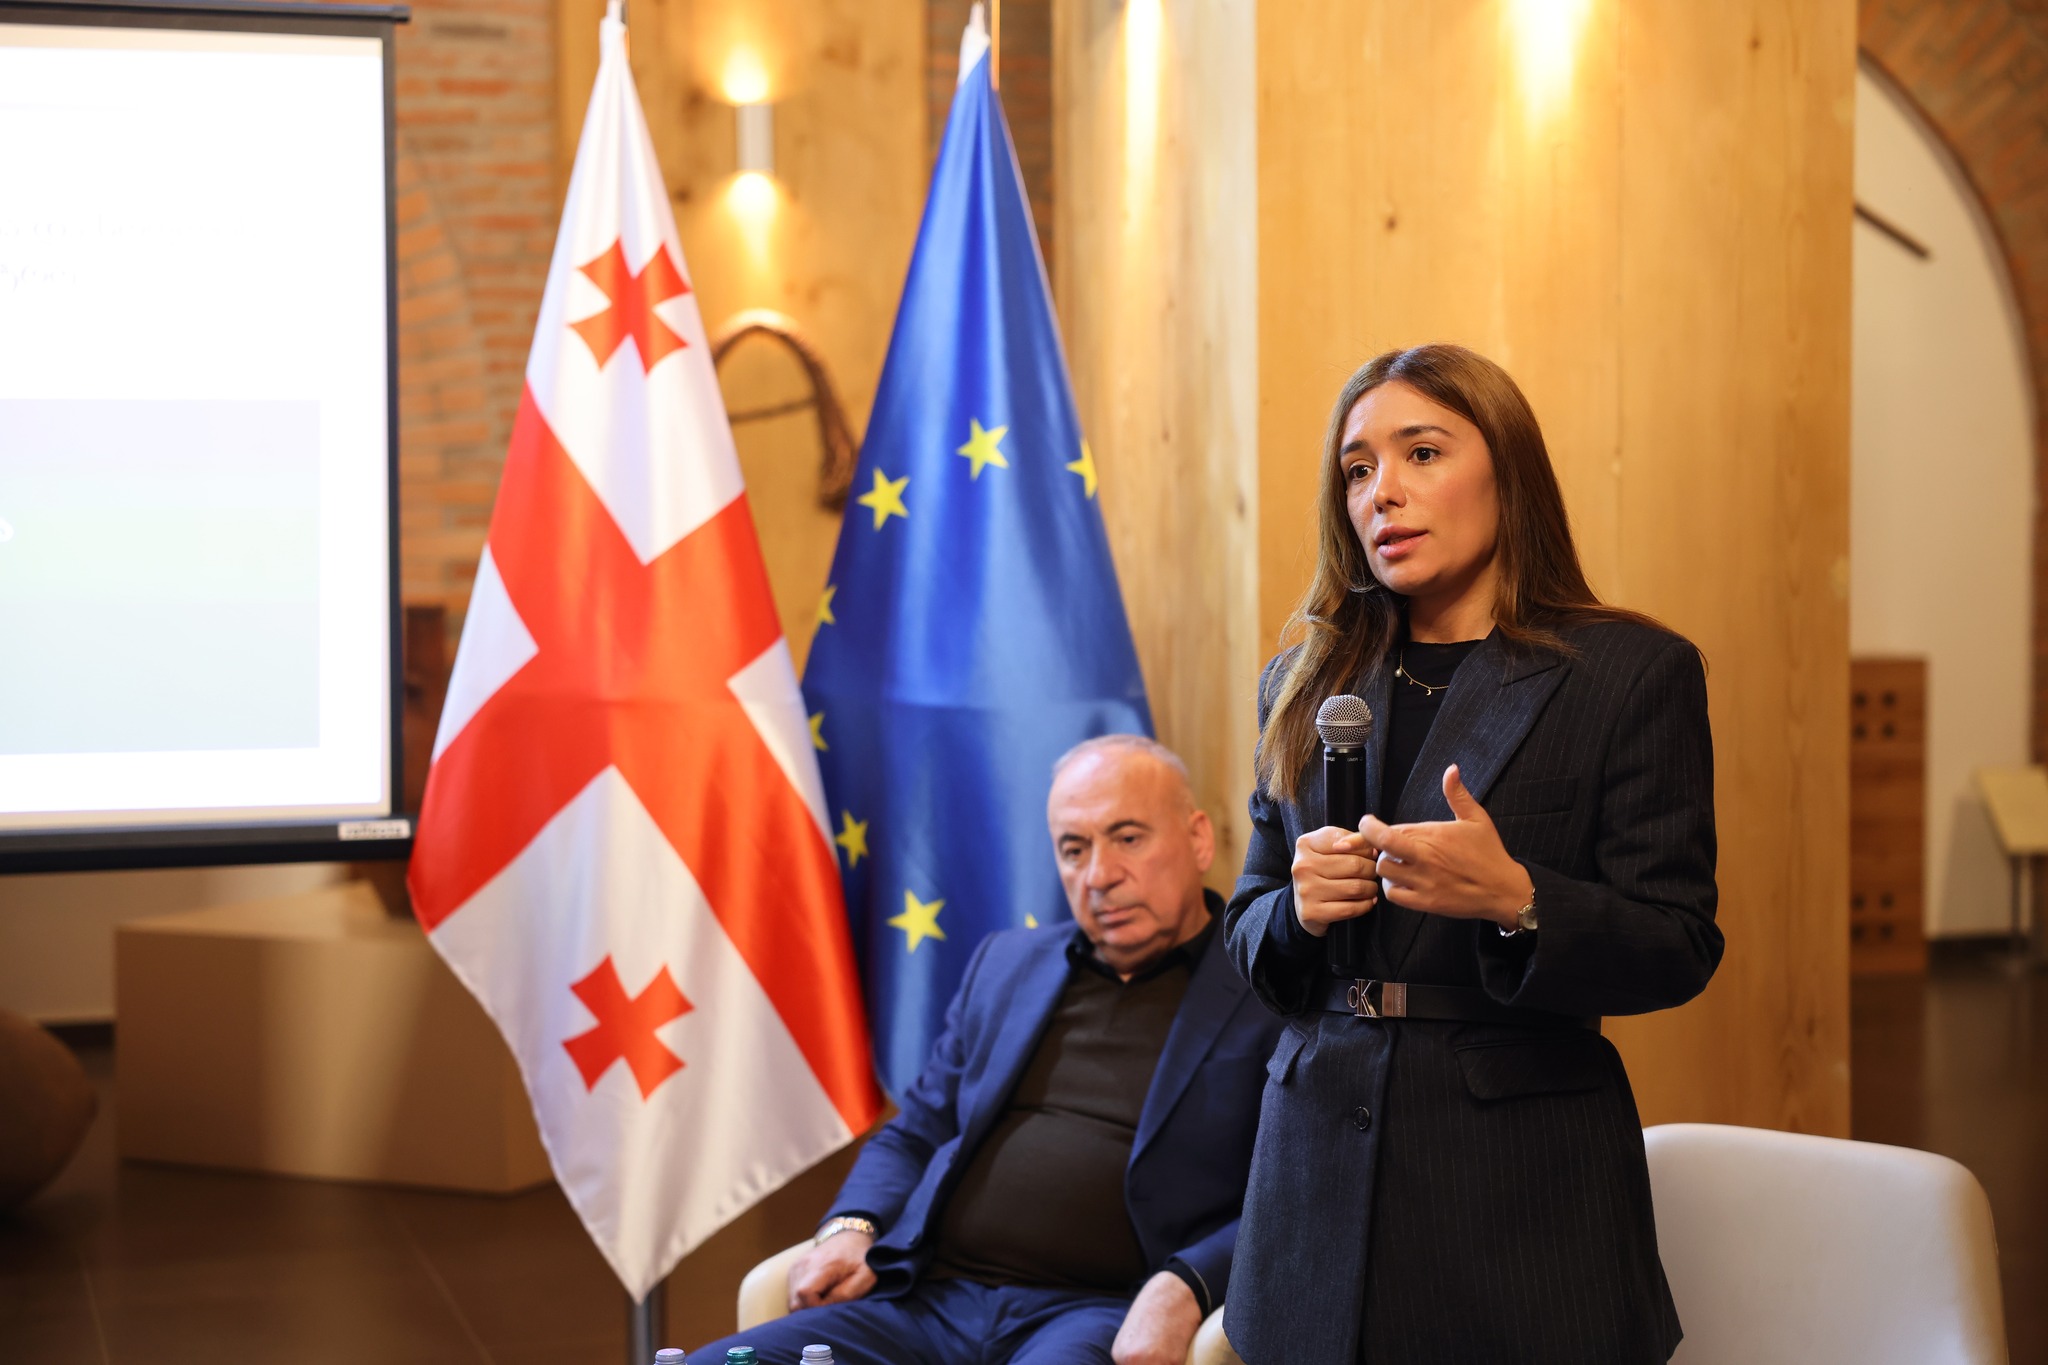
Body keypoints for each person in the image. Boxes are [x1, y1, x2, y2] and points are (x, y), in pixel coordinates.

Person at [1222, 344, 1724, 1365]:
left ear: (1508, 470)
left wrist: (1519, 900)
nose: (1381, 493)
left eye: (1421, 452)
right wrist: (1296, 912)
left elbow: (1678, 944)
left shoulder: (1628, 674)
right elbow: (1247, 926)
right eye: (1357, 469)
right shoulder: (1305, 681)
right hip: (1311, 1186)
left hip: (1515, 1195)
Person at [691, 735, 1284, 1365]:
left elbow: (1292, 1189)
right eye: (1074, 849)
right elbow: (916, 1131)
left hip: (1092, 1311)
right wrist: (852, 1225)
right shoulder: (1008, 965)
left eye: (1128, 838)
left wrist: (1189, 1281)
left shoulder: (1268, 990)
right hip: (923, 1300)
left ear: (1198, 838)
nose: (1100, 876)